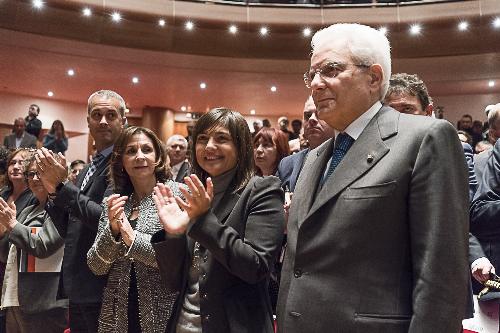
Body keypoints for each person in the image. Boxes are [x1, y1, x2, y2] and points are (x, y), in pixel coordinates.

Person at [277, 23, 469, 332]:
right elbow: (298, 266)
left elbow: (441, 277)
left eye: (330, 70)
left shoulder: (424, 139)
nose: (315, 84)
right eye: (310, 75)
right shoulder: (314, 156)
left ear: (374, 77)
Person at [151, 107, 284, 333]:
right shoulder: (193, 193)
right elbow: (173, 282)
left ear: (241, 147)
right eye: (202, 139)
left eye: (221, 138)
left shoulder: (262, 190)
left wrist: (203, 221)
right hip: (182, 325)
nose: (209, 146)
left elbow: (255, 268)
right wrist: (172, 234)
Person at [36, 90, 126, 333]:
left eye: (111, 114)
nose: (103, 121)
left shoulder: (124, 165)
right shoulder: (88, 167)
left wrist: (62, 187)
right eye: (97, 115)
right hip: (79, 282)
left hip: (104, 284)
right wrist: (51, 193)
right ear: (88, 121)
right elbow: (70, 227)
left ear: (123, 121)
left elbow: (107, 220)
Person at [87, 126, 180, 332]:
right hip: (117, 314)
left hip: (164, 313)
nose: (139, 157)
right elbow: (96, 266)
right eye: (131, 151)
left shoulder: (176, 195)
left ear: (158, 156)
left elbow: (177, 262)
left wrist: (131, 238)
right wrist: (112, 231)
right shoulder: (114, 203)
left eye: (146, 150)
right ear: (121, 161)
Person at [0, 152, 68, 332]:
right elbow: (5, 253)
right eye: (31, 174)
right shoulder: (28, 210)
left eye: (42, 172)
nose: (36, 178)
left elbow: (43, 245)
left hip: (45, 304)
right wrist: (5, 229)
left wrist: (13, 225)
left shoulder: (61, 208)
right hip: (17, 297)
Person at [277, 96, 334, 192]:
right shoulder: (287, 164)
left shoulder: (347, 157)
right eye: (307, 115)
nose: (312, 119)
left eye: (319, 113)